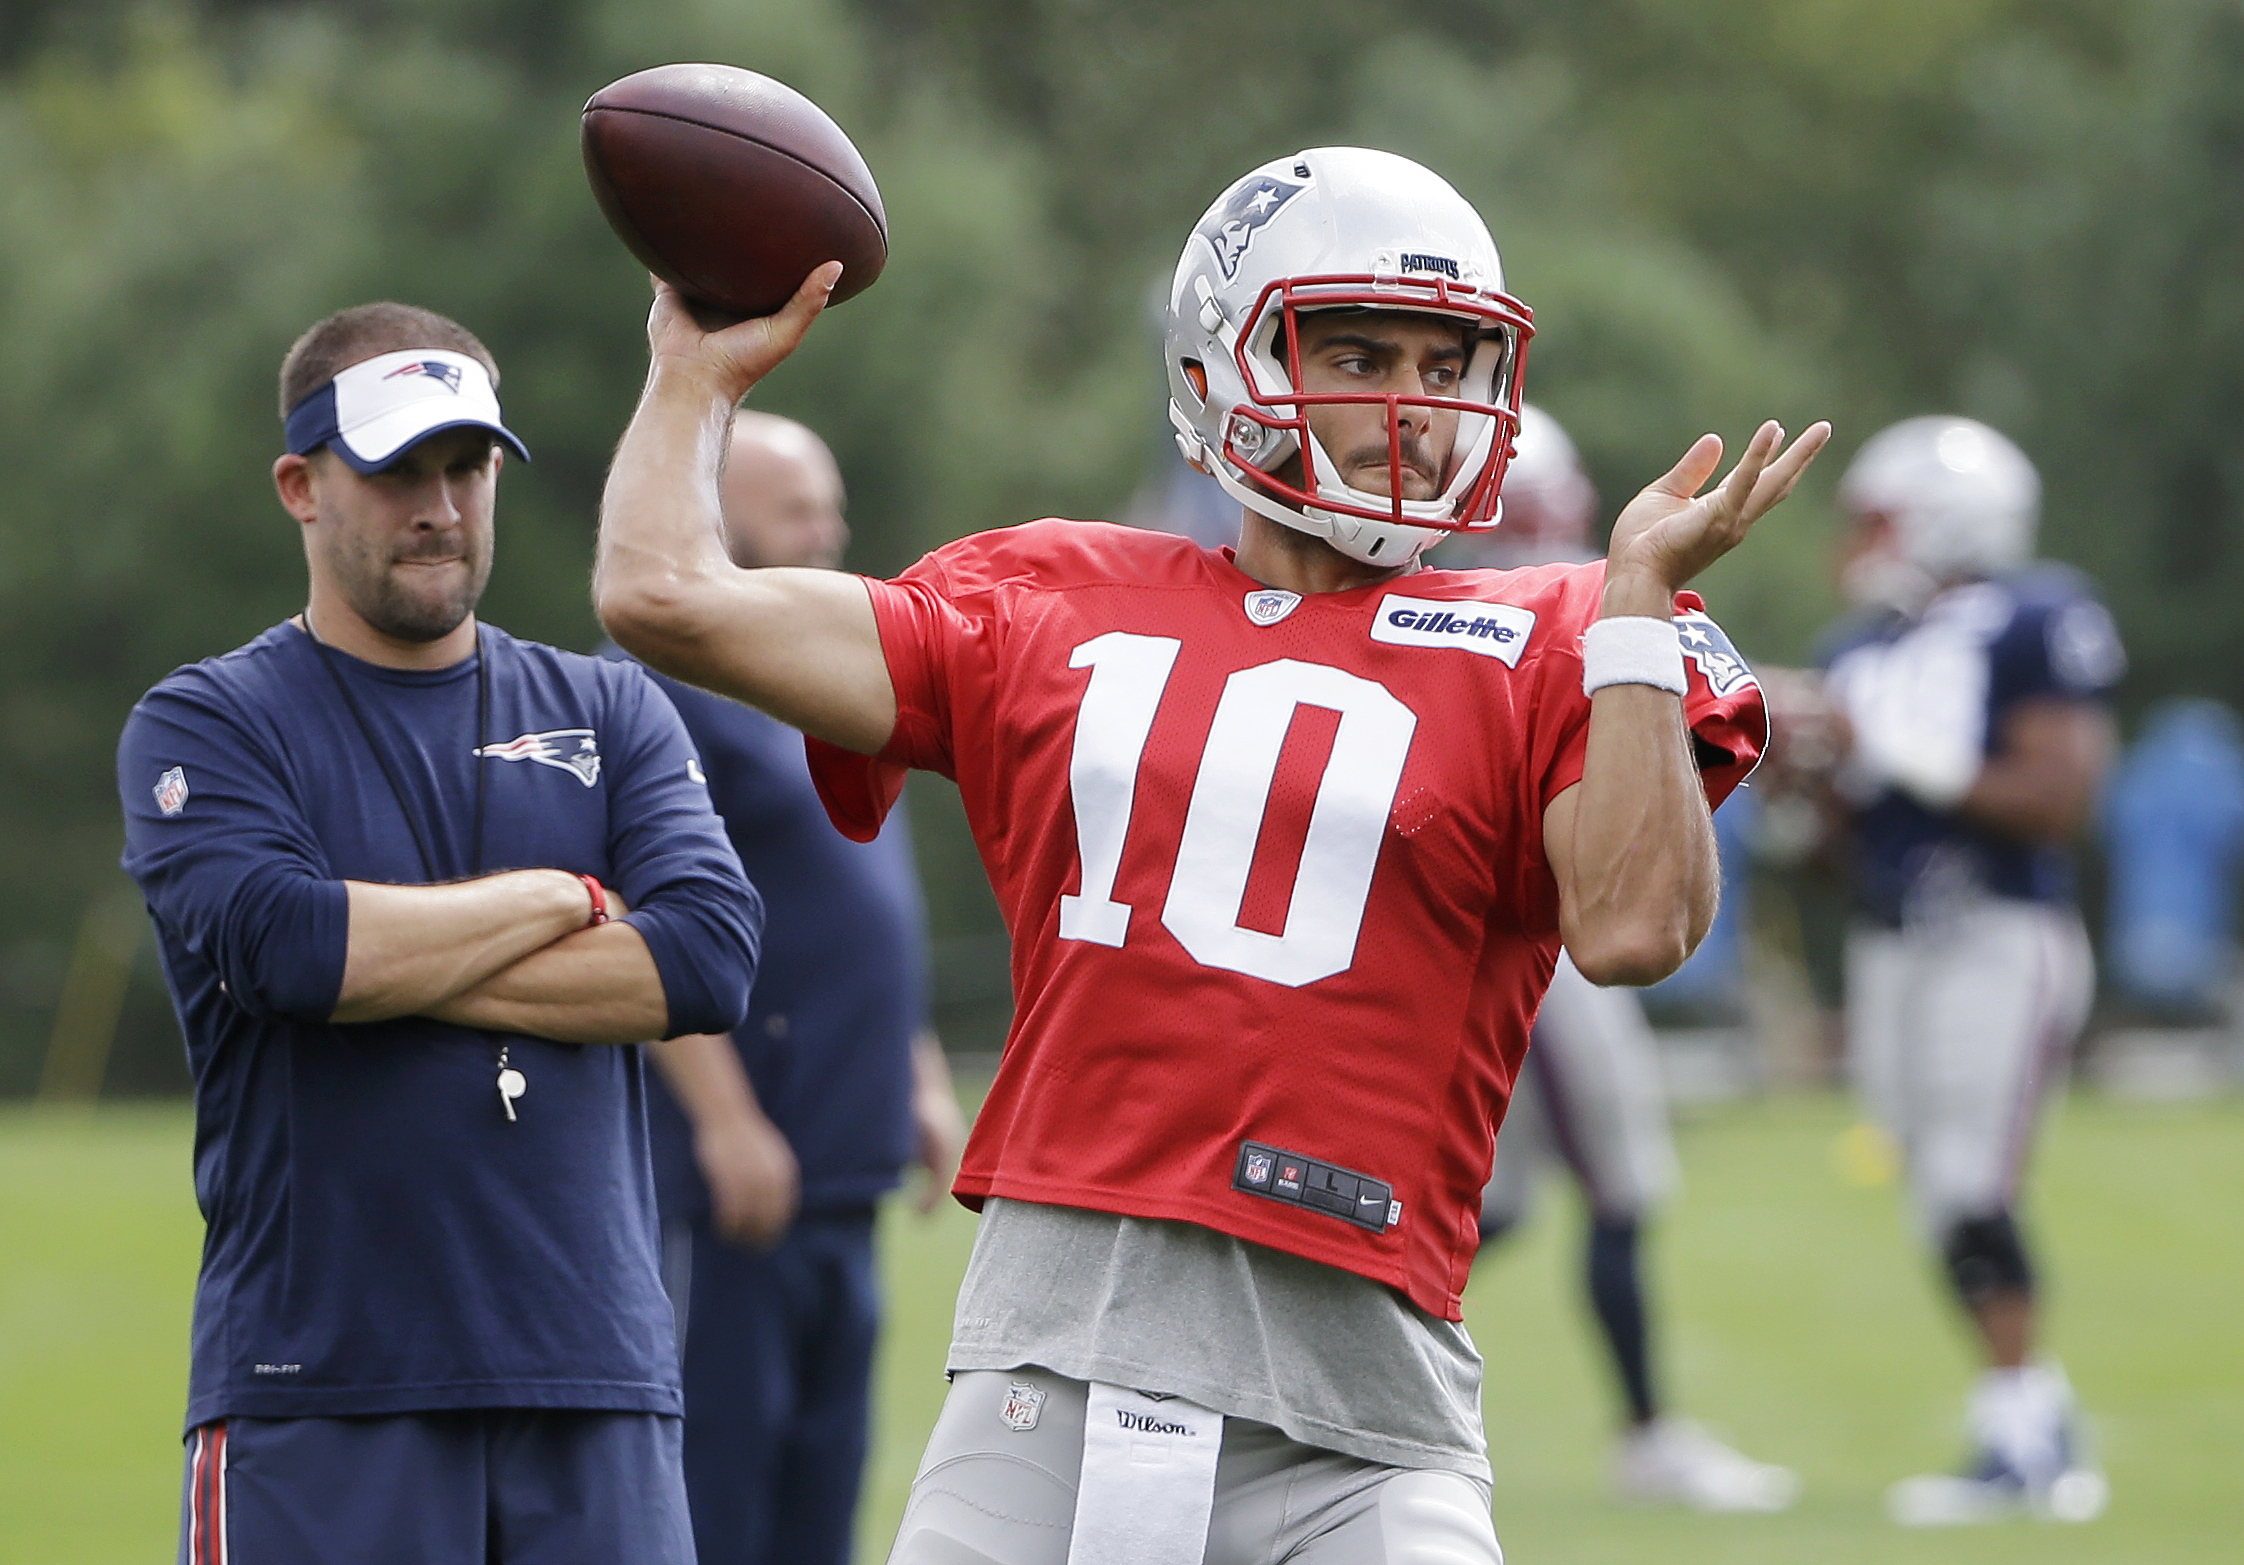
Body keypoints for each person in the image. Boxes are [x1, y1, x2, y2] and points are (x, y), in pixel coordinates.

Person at [596, 147, 1827, 1564]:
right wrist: (693, 372)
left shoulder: (1557, 635)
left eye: (1445, 365)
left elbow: (1633, 928)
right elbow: (663, 593)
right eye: (1357, 351)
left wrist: (1634, 616)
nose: (1407, 409)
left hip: (1364, 1424)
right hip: (1043, 1384)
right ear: (1213, 366)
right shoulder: (1045, 597)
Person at [118, 302, 763, 1565]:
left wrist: (390, 961)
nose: (442, 504)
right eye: (397, 469)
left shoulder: (608, 703)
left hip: (597, 1379)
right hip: (320, 1386)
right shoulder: (208, 721)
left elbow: (706, 957)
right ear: (301, 486)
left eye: (466, 466)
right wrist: (569, 897)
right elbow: (292, 949)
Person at [618, 411, 966, 1565]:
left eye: (831, 509)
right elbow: (639, 926)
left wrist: (916, 1075)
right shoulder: (668, 690)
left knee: (823, 1491)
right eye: (796, 512)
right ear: (717, 517)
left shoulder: (838, 672)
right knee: (718, 1493)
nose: (827, 534)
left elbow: (863, 906)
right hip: (739, 1175)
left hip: (846, 1164)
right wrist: (723, 1122)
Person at [1457, 407, 1798, 1513]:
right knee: (1616, 1181)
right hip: (1534, 933)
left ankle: (1317, 1344)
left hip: (1505, 927)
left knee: (1493, 1203)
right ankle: (1650, 1432)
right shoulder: (1507, 618)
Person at [1816, 415, 2122, 1525]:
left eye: (1879, 521)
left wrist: (1909, 759)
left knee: (1968, 1185)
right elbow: (1846, 834)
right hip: (1895, 937)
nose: (1857, 545)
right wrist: (1813, 773)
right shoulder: (1864, 644)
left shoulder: (2038, 612)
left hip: (1999, 929)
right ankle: (2028, 1424)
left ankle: (2028, 1439)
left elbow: (2058, 798)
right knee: (1933, 1195)